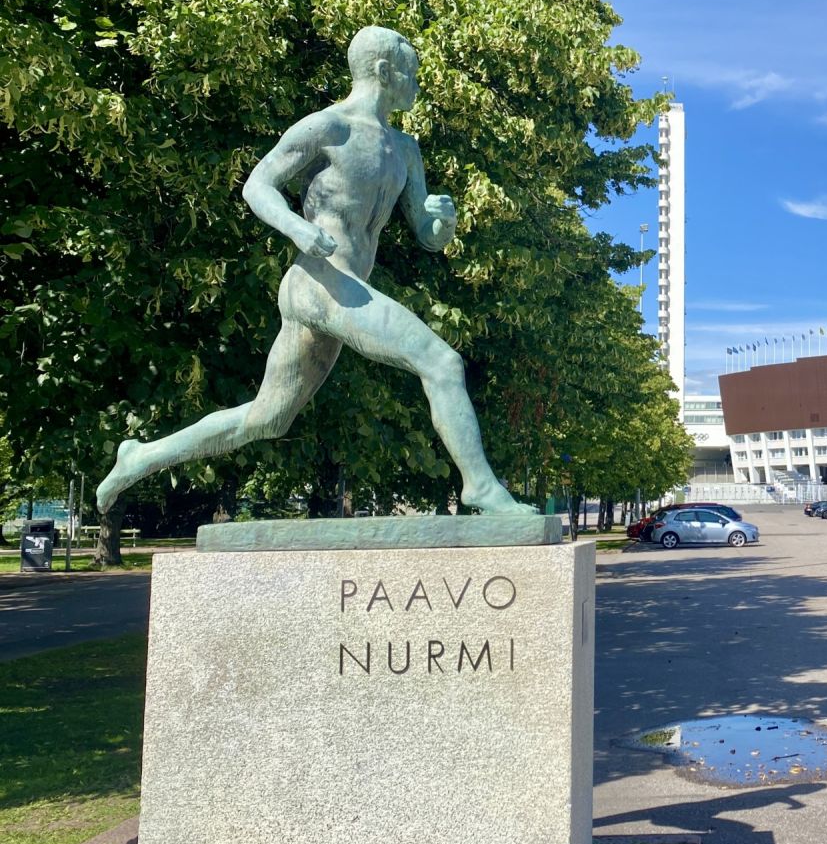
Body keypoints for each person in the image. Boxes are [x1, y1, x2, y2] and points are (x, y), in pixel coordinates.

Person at [96, 26, 534, 516]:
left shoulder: (405, 149)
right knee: (442, 363)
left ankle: (141, 456)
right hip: (318, 283)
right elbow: (258, 185)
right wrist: (296, 229)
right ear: (385, 71)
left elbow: (428, 235)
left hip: (345, 289)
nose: (416, 84)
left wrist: (442, 220)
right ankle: (479, 486)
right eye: (411, 73)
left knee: (266, 419)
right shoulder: (329, 127)